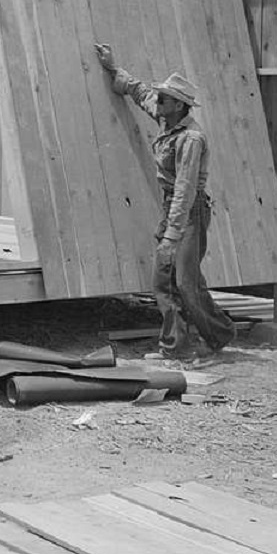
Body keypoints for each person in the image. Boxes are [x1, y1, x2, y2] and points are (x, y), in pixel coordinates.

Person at [94, 42, 236, 361]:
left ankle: (209, 337)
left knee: (183, 282)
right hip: (175, 207)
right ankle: (186, 344)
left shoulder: (191, 139)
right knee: (167, 281)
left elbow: (185, 189)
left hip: (188, 211)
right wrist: (113, 68)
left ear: (180, 106)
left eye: (166, 98)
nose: (159, 99)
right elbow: (141, 92)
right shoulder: (166, 119)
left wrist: (172, 234)